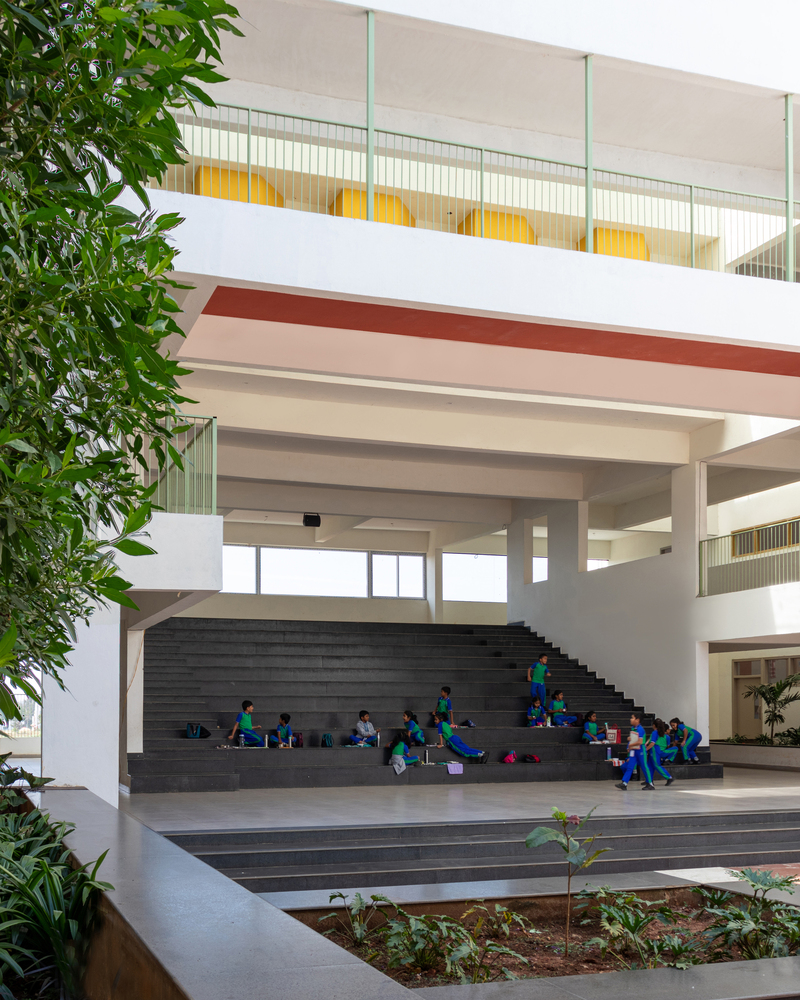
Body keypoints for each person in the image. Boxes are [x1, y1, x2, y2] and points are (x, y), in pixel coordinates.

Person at [615, 712, 655, 790]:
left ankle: (650, 783)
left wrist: (631, 745)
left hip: (640, 750)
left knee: (644, 766)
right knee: (630, 766)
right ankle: (624, 783)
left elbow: (640, 741)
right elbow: (634, 739)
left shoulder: (640, 729)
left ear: (637, 720)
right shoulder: (633, 728)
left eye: (632, 718)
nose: (630, 719)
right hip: (634, 750)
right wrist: (630, 739)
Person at [645, 719, 675, 785]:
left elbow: (652, 743)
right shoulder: (658, 732)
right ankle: (649, 780)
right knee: (650, 765)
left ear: (654, 725)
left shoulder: (654, 732)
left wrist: (646, 749)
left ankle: (669, 777)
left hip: (654, 749)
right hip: (655, 749)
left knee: (656, 764)